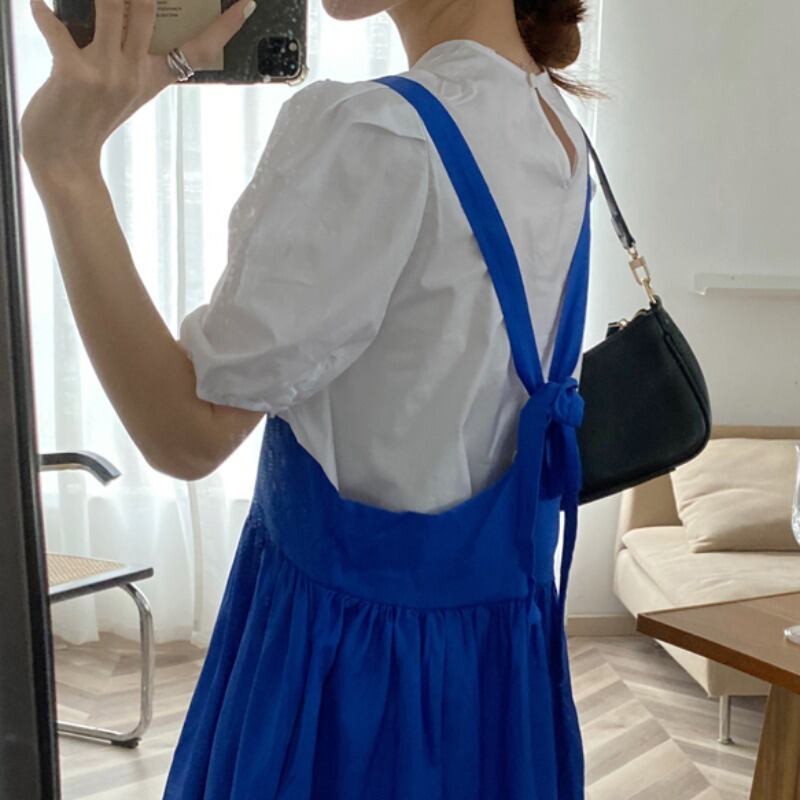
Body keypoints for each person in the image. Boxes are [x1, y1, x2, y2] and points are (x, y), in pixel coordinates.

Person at [21, 0, 599, 794]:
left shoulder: (383, 136)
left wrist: (65, 164)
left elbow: (186, 433)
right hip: (500, 666)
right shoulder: (555, 127)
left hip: (350, 675)